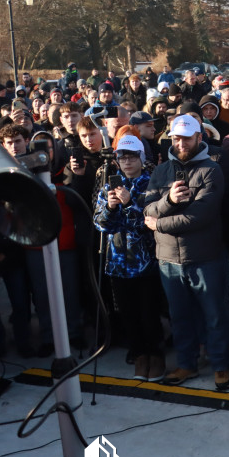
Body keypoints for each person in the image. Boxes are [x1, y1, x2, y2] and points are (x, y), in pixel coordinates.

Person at [143, 114, 229, 391]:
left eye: (186, 137)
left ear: (199, 138)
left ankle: (220, 365)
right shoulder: (160, 172)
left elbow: (200, 217)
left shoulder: (210, 170)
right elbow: (146, 208)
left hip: (205, 257)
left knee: (215, 314)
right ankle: (187, 364)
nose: (181, 142)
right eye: (176, 137)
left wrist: (159, 224)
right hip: (169, 259)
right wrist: (169, 200)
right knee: (180, 316)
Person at [94, 135, 164, 381]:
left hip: (146, 263)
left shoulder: (151, 185)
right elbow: (101, 225)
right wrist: (112, 208)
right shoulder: (109, 186)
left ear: (141, 158)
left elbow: (146, 224)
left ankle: (155, 356)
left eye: (132, 156)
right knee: (128, 314)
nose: (127, 161)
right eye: (122, 157)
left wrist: (128, 204)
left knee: (149, 313)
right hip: (118, 264)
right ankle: (139, 355)